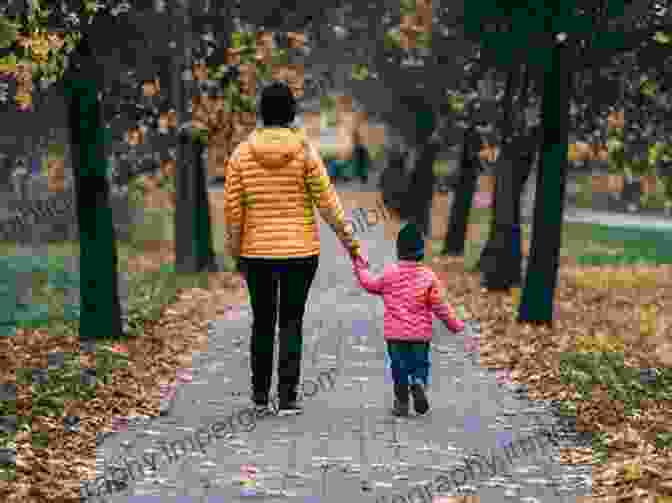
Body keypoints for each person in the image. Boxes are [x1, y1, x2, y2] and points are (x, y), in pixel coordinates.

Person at [223, 81, 361, 418]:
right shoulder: (305, 153)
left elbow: (233, 211)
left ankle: (258, 394)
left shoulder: (241, 155)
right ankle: (287, 397)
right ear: (291, 113)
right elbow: (328, 204)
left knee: (262, 320)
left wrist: (235, 252)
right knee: (291, 320)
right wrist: (351, 243)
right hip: (300, 253)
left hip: (256, 254)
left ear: (261, 112)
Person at [351, 214, 465, 417]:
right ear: (421, 252)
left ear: (399, 251)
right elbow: (440, 306)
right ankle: (419, 382)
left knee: (399, 368)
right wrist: (455, 325)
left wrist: (360, 268)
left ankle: (402, 403)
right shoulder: (429, 277)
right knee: (420, 364)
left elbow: (370, 285)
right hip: (420, 335)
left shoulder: (389, 274)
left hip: (395, 336)